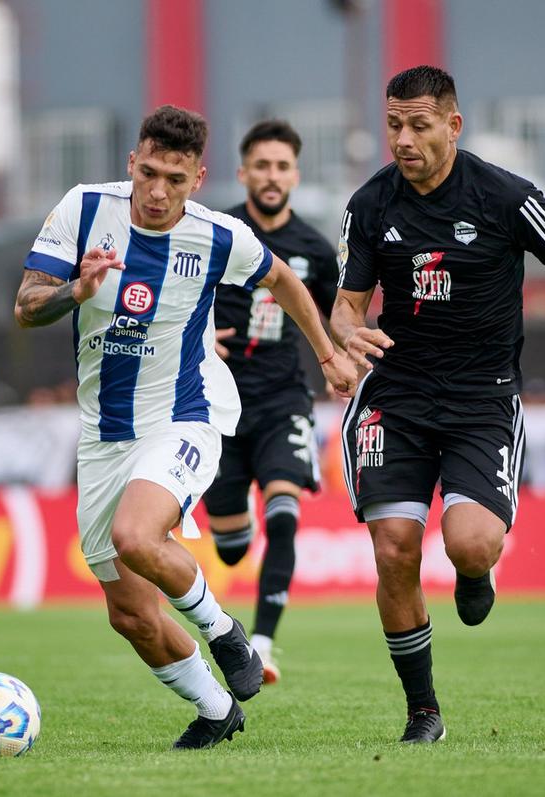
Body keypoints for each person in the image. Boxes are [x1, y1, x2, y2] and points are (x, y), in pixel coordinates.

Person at [13, 105, 355, 750]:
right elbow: (27, 305)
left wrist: (329, 354)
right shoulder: (83, 209)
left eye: (175, 178)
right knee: (131, 614)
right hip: (103, 434)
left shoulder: (217, 235)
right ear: (131, 166)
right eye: (149, 173)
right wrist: (75, 293)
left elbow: (281, 278)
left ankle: (226, 634)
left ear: (198, 178)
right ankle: (215, 708)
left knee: (137, 536)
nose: (159, 192)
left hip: (185, 415)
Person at [332, 66, 545, 744]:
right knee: (394, 550)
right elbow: (347, 306)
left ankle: (476, 573)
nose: (403, 140)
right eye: (393, 125)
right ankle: (423, 711)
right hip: (396, 395)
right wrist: (344, 337)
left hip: (483, 399)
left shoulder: (505, 196)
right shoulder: (370, 204)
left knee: (471, 543)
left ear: (453, 123)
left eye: (419, 125)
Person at [201, 119, 339, 684]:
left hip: (283, 400)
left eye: (282, 166)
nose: (272, 175)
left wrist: (341, 359)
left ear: (296, 175)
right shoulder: (215, 231)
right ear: (243, 173)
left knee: (283, 514)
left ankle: (260, 646)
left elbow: (337, 318)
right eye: (262, 165)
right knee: (231, 548)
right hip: (216, 405)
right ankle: (235, 533)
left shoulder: (314, 250)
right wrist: (201, 334)